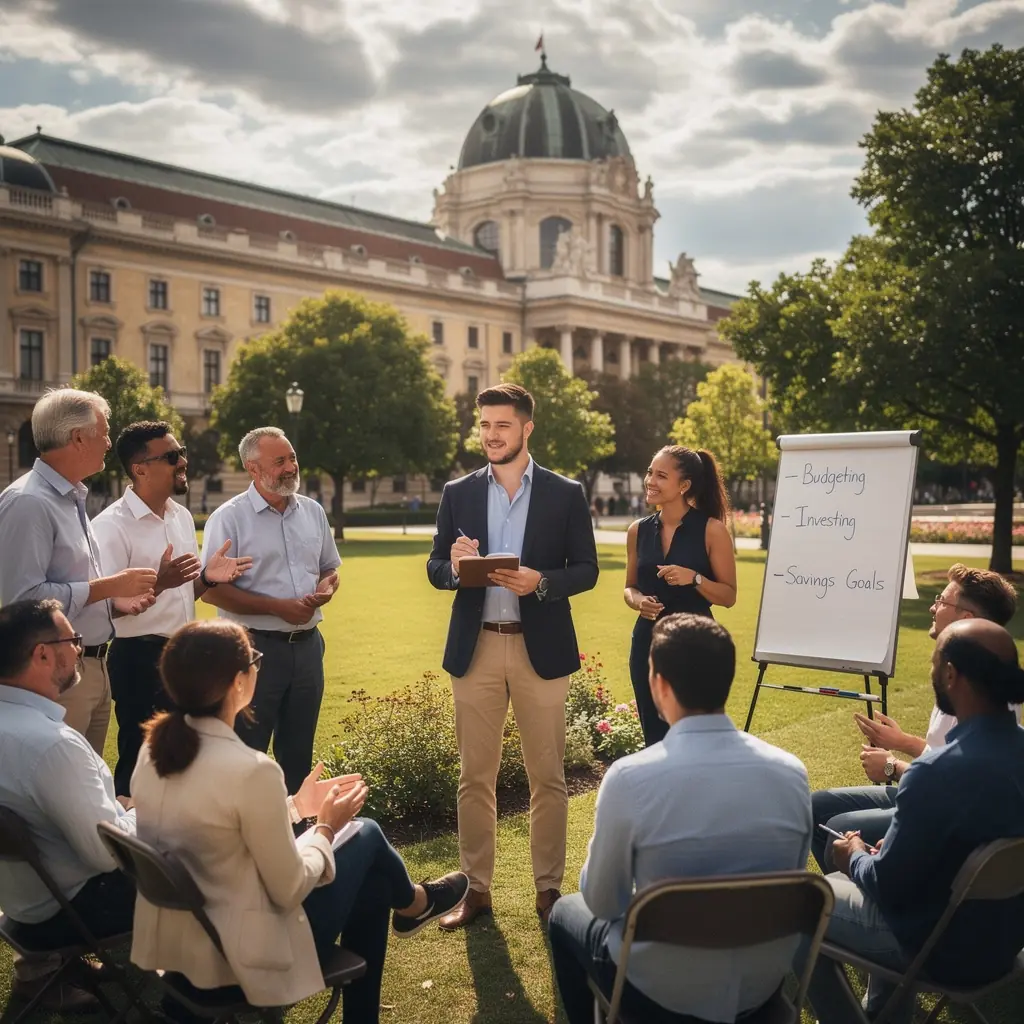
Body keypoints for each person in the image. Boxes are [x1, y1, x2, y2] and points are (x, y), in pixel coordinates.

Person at [130, 620, 470, 1023]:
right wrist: (326, 826)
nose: (258, 668)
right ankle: (415, 903)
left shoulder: (153, 752)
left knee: (374, 882)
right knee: (366, 833)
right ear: (238, 682)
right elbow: (290, 887)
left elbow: (216, 828)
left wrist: (294, 807)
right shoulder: (252, 771)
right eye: (254, 661)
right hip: (246, 956)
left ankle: (412, 908)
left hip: (186, 947)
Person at [548, 614, 813, 1023]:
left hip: (660, 992)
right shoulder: (792, 773)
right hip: (759, 985)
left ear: (659, 684)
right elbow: (789, 882)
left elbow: (603, 902)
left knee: (565, 911)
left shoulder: (630, 779)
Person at [426, 383, 599, 929]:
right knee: (474, 777)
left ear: (527, 428)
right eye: (484, 425)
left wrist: (540, 582)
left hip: (539, 649)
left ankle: (548, 891)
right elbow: (435, 567)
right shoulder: (458, 492)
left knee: (547, 777)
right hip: (475, 648)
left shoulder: (565, 493)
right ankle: (476, 891)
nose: (491, 435)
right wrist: (455, 568)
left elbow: (587, 569)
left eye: (502, 425)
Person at [805, 618, 1024, 1024]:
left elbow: (887, 887)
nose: (931, 671)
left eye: (934, 662)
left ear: (951, 674)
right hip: (1003, 943)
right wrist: (886, 854)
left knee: (799, 904)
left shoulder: (936, 772)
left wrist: (854, 854)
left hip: (940, 948)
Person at [811, 563, 1018, 871]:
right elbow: (946, 758)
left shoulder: (969, 688)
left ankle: (849, 894)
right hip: (944, 806)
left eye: (942, 600)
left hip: (940, 815)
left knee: (839, 830)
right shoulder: (983, 685)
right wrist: (903, 741)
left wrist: (892, 766)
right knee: (816, 806)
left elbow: (945, 782)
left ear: (965, 619)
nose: (933, 607)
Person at [92, 421, 253, 797]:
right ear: (140, 469)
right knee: (140, 761)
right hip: (137, 659)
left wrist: (208, 579)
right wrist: (160, 583)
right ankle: (131, 829)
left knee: (186, 759)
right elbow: (100, 610)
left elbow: (183, 595)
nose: (183, 461)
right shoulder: (110, 527)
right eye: (171, 456)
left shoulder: (180, 516)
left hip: (183, 655)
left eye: (181, 453)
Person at [0, 388, 158, 753]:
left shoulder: (69, 497)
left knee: (86, 783)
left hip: (91, 668)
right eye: (103, 432)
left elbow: (67, 585)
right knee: (58, 783)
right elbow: (24, 604)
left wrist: (113, 604)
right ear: (78, 438)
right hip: (57, 675)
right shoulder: (28, 502)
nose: (109, 443)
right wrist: (109, 587)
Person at [0, 599, 139, 1012]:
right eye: (72, 639)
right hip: (65, 912)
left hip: (21, 903)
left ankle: (49, 973)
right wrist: (141, 815)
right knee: (202, 854)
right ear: (42, 654)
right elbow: (107, 854)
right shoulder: (51, 745)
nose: (79, 648)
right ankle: (212, 988)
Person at [200, 426, 340, 795]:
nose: (291, 467)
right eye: (279, 461)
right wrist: (279, 608)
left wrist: (326, 587)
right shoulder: (228, 518)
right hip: (252, 652)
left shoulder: (313, 512)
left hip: (308, 649)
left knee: (299, 757)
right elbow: (211, 592)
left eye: (292, 457)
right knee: (246, 756)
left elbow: (329, 568)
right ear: (252, 468)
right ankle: (243, 829)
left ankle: (296, 827)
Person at [623, 445, 737, 745]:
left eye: (661, 476)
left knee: (696, 739)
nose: (650, 481)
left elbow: (728, 596)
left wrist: (694, 578)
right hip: (647, 644)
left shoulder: (712, 531)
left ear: (684, 486)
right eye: (650, 472)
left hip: (696, 647)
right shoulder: (637, 531)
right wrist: (639, 602)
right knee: (653, 736)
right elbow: (629, 587)